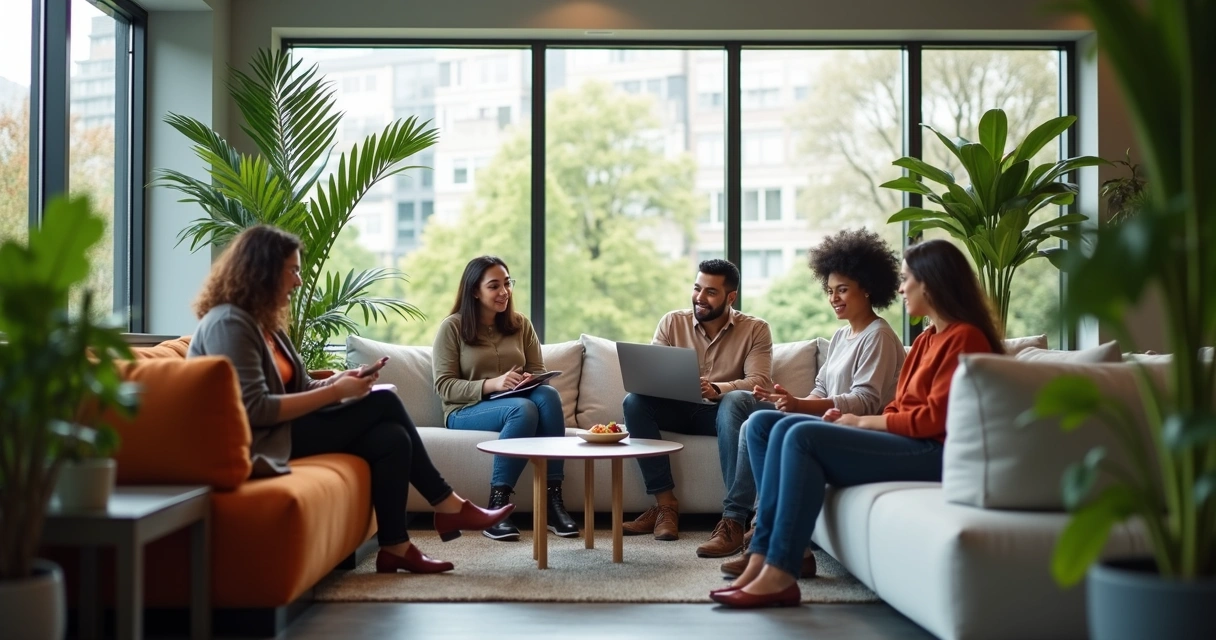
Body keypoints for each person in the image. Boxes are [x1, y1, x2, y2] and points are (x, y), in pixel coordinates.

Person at [188, 226, 512, 576]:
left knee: (392, 439)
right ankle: (447, 503)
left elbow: (296, 385)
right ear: (262, 270)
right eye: (293, 270)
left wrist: (338, 380)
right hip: (258, 442)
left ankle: (395, 546)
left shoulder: (266, 324)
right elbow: (254, 408)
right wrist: (333, 393)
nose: (298, 281)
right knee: (382, 404)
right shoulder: (229, 324)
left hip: (281, 431)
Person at [711, 239, 1004, 608]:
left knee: (799, 434)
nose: (901, 288)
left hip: (934, 452)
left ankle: (779, 572)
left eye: (907, 279)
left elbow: (933, 419)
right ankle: (763, 558)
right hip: (913, 442)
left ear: (930, 282)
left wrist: (862, 423)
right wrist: (843, 416)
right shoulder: (929, 337)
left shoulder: (964, 338)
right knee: (778, 425)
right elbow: (899, 404)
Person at [719, 228, 906, 577]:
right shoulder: (841, 335)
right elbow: (821, 388)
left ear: (868, 287)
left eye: (843, 290)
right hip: (830, 421)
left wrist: (802, 407)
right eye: (830, 291)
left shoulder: (878, 335)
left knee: (762, 425)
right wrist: (791, 400)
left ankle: (770, 539)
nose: (834, 298)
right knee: (757, 424)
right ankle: (776, 536)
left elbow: (865, 401)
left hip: (859, 432)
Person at [621, 259, 773, 550]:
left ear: (731, 297)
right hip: (679, 409)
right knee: (635, 402)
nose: (699, 298)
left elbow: (759, 383)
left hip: (722, 414)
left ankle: (733, 519)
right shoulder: (672, 322)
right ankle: (665, 508)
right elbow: (652, 374)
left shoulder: (756, 329)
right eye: (696, 288)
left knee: (734, 401)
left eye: (710, 292)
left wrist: (718, 388)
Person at [433, 256, 578, 541]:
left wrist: (528, 379)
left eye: (507, 283)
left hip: (512, 401)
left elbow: (538, 370)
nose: (504, 292)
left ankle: (552, 502)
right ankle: (496, 507)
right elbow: (444, 386)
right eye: (494, 286)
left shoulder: (520, 324)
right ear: (475, 290)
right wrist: (491, 384)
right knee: (523, 410)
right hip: (465, 410)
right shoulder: (452, 328)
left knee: (546, 394)